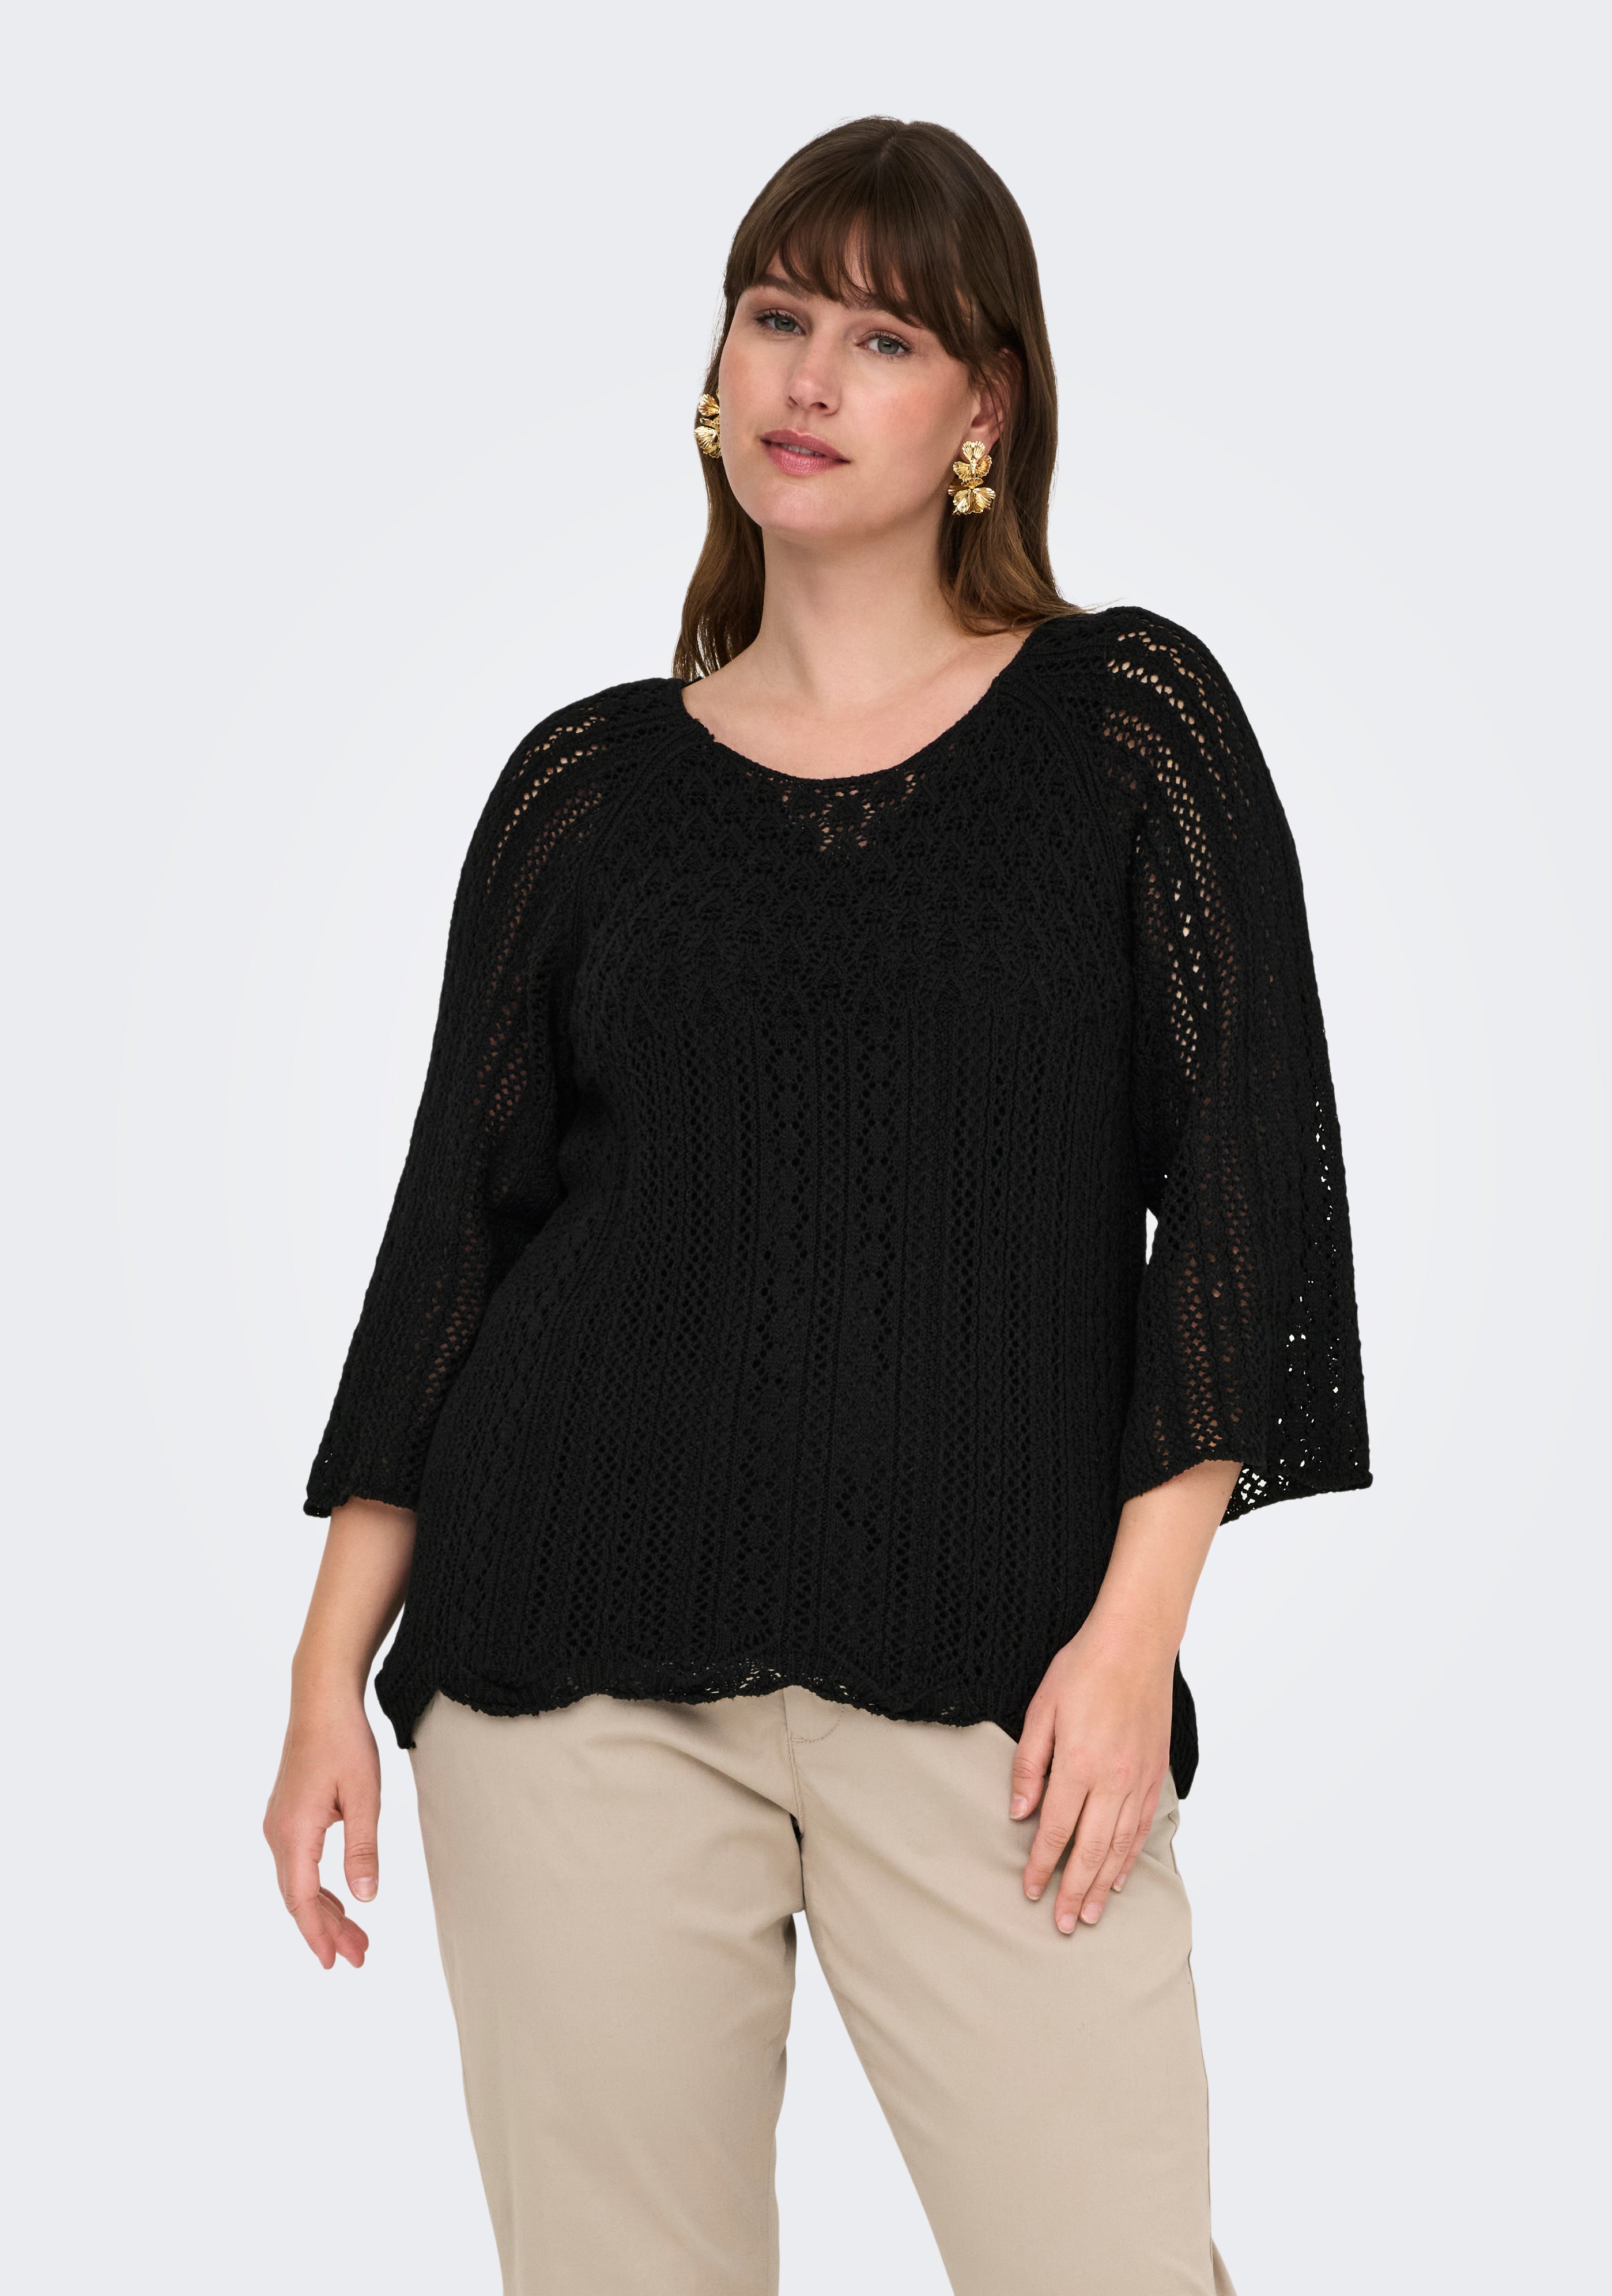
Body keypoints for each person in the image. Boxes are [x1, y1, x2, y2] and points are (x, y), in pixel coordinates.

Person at [264, 114, 1370, 2296]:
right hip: (564, 1655)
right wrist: (324, 1679)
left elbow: (1241, 1198)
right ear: (715, 368)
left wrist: (1132, 1639)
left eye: (882, 337)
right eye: (776, 315)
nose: (808, 373)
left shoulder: (1124, 727)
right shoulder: (586, 788)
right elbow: (448, 1249)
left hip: (1001, 1667)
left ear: (985, 408)